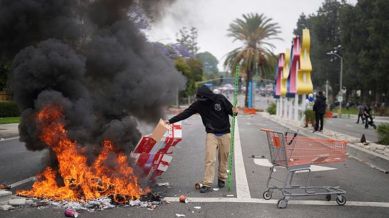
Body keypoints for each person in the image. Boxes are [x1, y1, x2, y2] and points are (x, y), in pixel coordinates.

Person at [166, 85, 237, 193]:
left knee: (224, 158)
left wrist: (235, 111)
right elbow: (186, 113)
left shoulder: (220, 99)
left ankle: (222, 178)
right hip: (211, 134)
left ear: (209, 95)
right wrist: (170, 121)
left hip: (225, 133)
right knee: (210, 159)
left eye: (204, 98)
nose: (202, 101)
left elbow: (232, 113)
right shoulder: (199, 104)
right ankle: (207, 183)